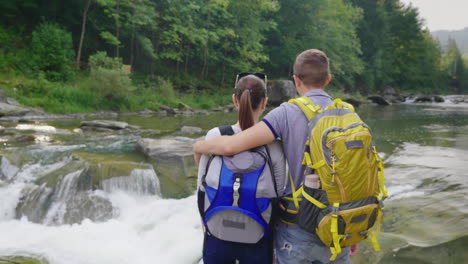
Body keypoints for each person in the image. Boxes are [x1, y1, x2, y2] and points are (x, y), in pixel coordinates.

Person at [194, 49, 351, 263]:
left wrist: (199, 147)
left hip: (298, 228)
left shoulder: (286, 113)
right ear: (328, 79)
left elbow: (231, 147)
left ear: (295, 80)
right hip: (338, 223)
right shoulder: (348, 113)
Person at [197, 73, 286, 264]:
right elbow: (278, 194)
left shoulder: (215, 135)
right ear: (264, 103)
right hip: (258, 237)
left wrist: (206, 225)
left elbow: (201, 188)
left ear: (234, 100)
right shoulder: (274, 145)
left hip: (217, 232)